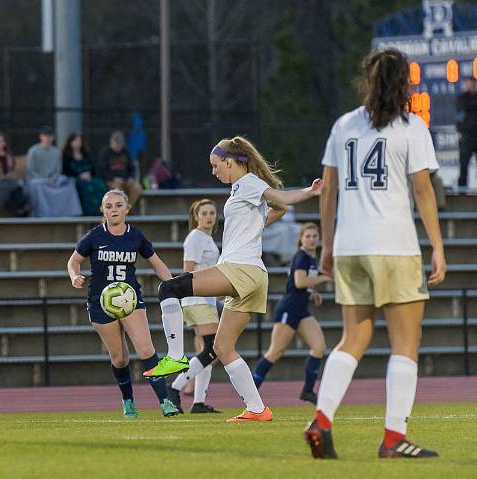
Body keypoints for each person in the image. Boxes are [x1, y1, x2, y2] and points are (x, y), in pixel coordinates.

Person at [305, 48, 446, 460]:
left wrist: (328, 245)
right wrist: (437, 246)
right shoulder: (410, 126)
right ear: (405, 82)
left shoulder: (344, 124)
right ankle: (392, 438)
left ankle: (322, 420)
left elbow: (327, 189)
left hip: (350, 245)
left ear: (367, 79)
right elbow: (423, 191)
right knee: (405, 343)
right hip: (394, 245)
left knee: (353, 338)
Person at [144, 136, 322, 425]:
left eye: (216, 166)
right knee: (223, 348)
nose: (214, 172)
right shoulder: (244, 187)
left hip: (240, 269)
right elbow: (278, 209)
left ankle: (176, 356)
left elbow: (283, 200)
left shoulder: (248, 182)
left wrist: (309, 192)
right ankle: (257, 408)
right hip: (254, 275)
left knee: (169, 288)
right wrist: (254, 226)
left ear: (230, 162)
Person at [67, 190, 180, 419]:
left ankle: (165, 401)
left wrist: (173, 286)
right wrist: (74, 276)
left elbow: (157, 263)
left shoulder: (135, 236)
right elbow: (73, 261)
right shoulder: (93, 237)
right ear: (103, 211)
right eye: (109, 206)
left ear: (127, 209)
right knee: (119, 358)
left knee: (146, 349)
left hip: (130, 300)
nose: (114, 210)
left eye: (119, 205)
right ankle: (128, 400)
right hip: (100, 303)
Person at [252, 222, 332, 404]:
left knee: (319, 347)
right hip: (288, 309)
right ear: (301, 239)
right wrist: (323, 278)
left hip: (301, 310)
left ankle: (308, 391)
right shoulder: (301, 256)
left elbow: (304, 285)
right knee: (275, 352)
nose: (312, 239)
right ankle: (250, 388)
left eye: (314, 236)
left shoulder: (311, 257)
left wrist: (313, 293)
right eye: (308, 236)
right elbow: (299, 282)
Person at [166, 199, 222, 414]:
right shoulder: (196, 238)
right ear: (196, 216)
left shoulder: (206, 238)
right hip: (197, 299)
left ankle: (198, 402)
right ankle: (175, 388)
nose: (209, 217)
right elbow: (188, 271)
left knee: (206, 351)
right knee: (212, 349)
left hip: (204, 299)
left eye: (212, 213)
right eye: (204, 213)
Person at [27, 126, 82, 217]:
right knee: (35, 185)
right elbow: (31, 171)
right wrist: (44, 180)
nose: (47, 138)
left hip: (54, 179)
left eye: (49, 136)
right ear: (41, 137)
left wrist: (53, 179)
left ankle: (71, 213)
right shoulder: (33, 151)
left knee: (69, 182)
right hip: (38, 180)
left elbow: (58, 170)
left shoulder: (57, 152)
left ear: (53, 138)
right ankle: (43, 214)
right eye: (45, 136)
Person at [62, 132, 107, 216]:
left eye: (79, 141)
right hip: (76, 179)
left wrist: (89, 174)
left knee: (99, 184)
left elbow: (93, 168)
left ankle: (101, 211)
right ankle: (88, 212)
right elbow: (66, 171)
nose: (78, 143)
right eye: (75, 141)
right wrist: (79, 175)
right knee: (86, 188)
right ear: (70, 142)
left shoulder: (86, 154)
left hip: (89, 178)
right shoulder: (66, 156)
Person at [97, 131, 142, 206]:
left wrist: (131, 177)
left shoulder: (125, 152)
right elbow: (102, 170)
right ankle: (120, 210)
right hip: (111, 181)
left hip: (126, 180)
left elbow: (132, 168)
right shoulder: (105, 153)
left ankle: (126, 209)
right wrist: (113, 178)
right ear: (111, 142)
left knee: (137, 188)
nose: (118, 147)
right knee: (118, 191)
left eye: (120, 145)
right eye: (117, 145)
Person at [457, 76, 477, 188]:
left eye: (470, 83)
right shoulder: (462, 98)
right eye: (466, 83)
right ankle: (462, 192)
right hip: (466, 137)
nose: (468, 85)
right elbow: (462, 106)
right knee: (463, 166)